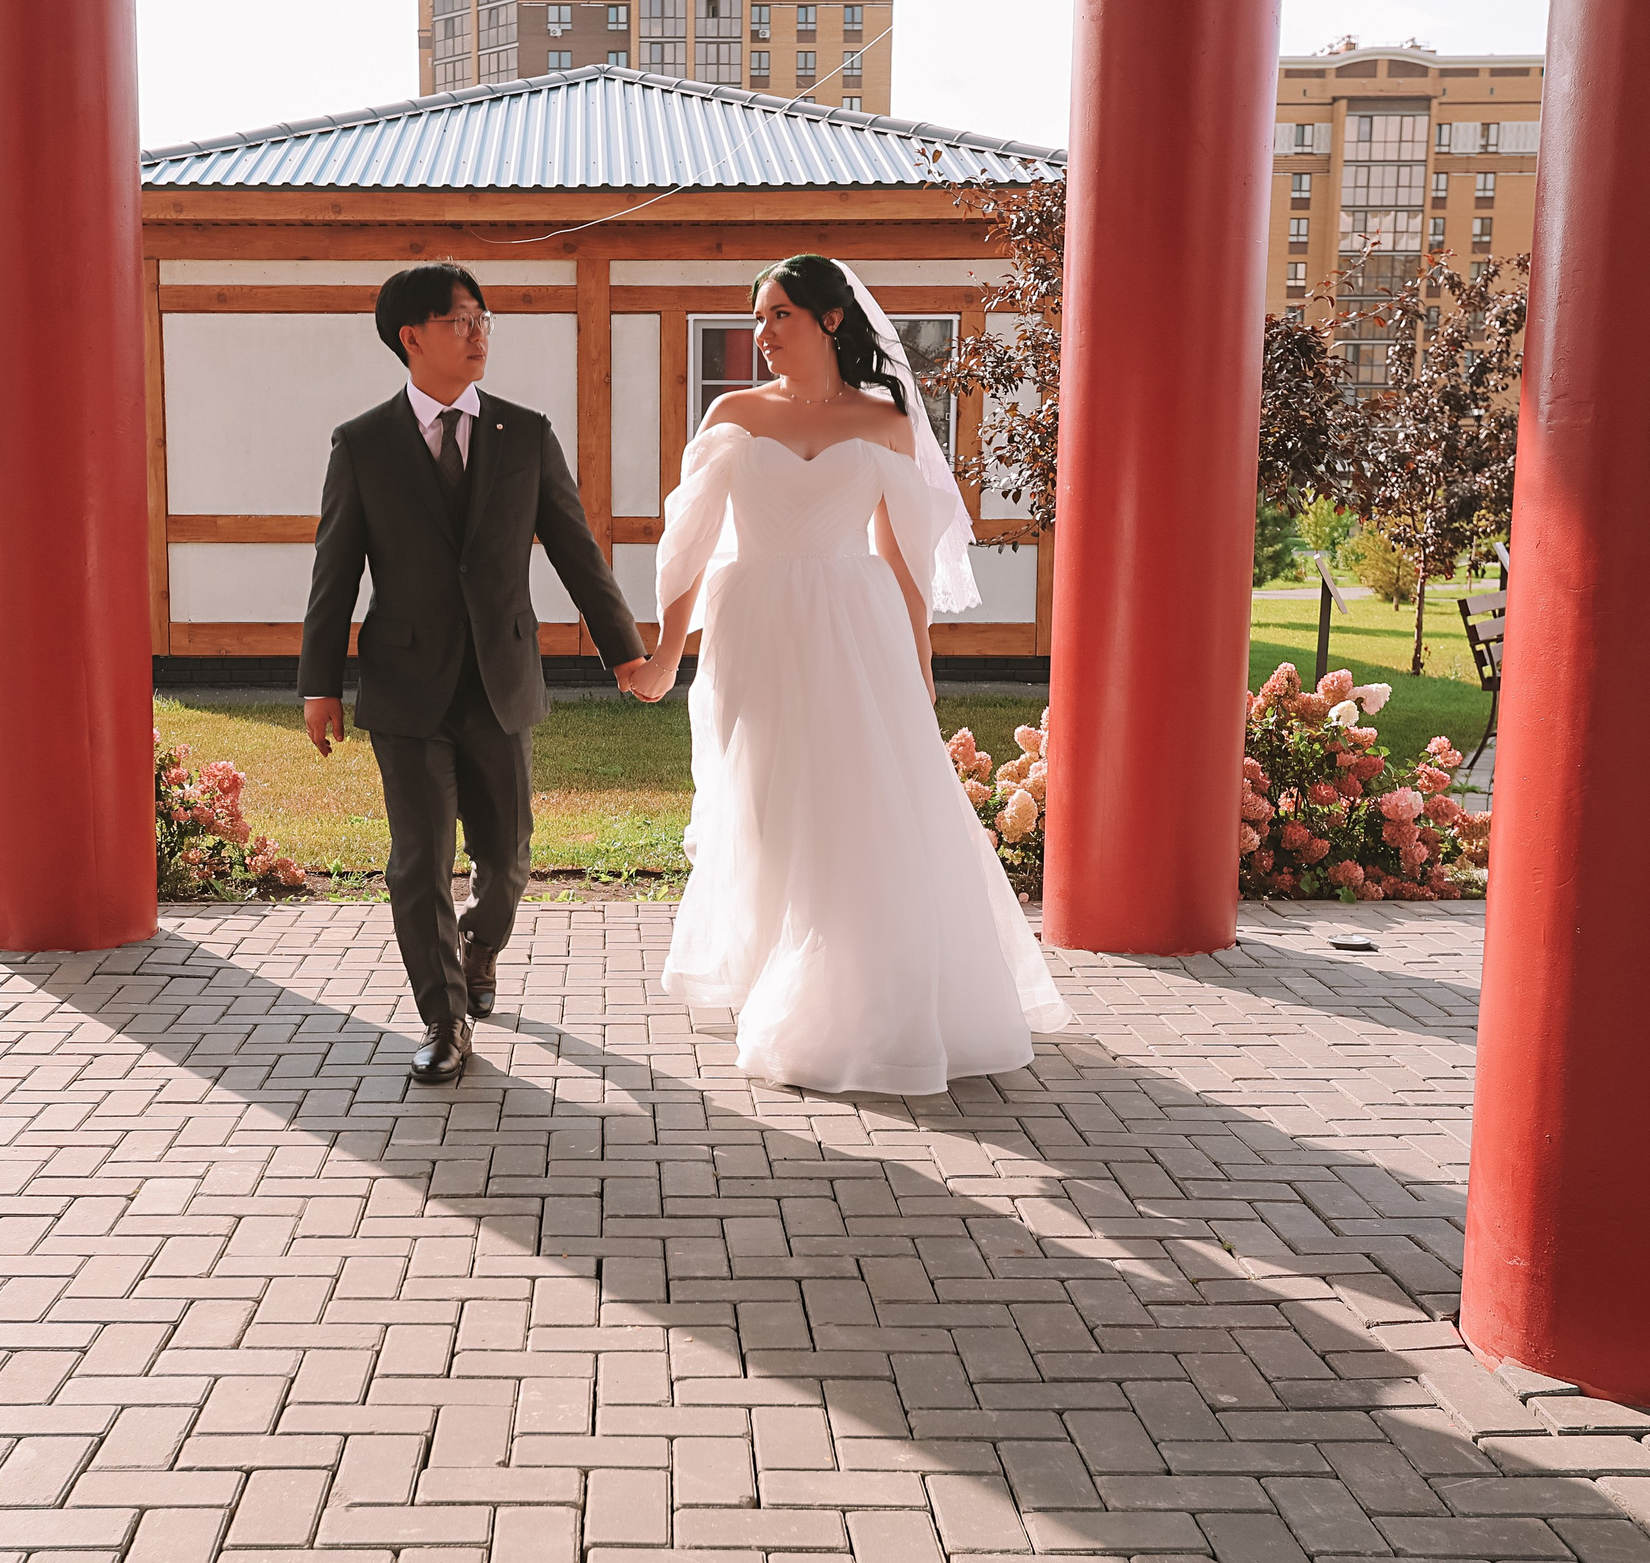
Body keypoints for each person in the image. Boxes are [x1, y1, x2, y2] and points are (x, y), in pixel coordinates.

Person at [624, 255, 1073, 1094]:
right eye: (758, 319)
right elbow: (687, 548)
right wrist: (666, 653)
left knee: (854, 802)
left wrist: (920, 664)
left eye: (778, 316)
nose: (761, 336)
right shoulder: (731, 415)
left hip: (855, 630)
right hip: (754, 626)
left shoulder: (886, 420)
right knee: (769, 800)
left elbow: (899, 556)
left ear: (831, 320)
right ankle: (770, 974)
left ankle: (849, 989)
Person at [301, 263, 650, 1085]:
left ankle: (480, 941)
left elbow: (574, 548)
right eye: (462, 318)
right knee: (418, 861)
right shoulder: (363, 444)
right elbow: (334, 571)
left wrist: (624, 647)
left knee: (509, 854)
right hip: (407, 688)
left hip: (502, 679)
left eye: (485, 316)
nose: (480, 330)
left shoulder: (524, 434)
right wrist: (319, 682)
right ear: (411, 336)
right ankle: (443, 1018)